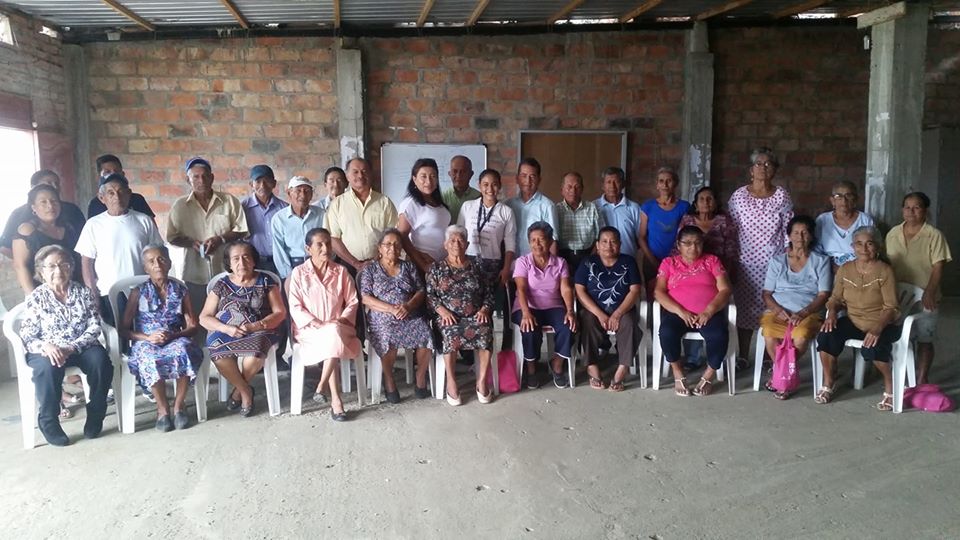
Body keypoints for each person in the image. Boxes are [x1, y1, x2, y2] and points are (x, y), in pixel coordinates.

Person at [19, 245, 113, 446]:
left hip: (81, 346)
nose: (58, 270)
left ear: (71, 267)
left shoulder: (83, 292)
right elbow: (27, 334)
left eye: (63, 264)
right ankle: (48, 420)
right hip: (47, 349)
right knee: (47, 368)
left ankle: (96, 412)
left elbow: (94, 325)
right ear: (41, 271)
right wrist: (47, 346)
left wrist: (72, 347)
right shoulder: (36, 297)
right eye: (51, 266)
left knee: (101, 362)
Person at [118, 245, 202, 431]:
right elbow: (123, 330)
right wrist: (148, 337)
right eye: (151, 261)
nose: (157, 264)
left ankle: (179, 405)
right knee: (149, 356)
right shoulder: (138, 292)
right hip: (146, 341)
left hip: (175, 337)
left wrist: (174, 335)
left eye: (161, 259)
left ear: (169, 263)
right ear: (145, 268)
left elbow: (193, 326)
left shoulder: (180, 290)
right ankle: (162, 409)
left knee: (184, 349)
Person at [816, 226, 900, 410]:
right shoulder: (845, 269)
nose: (864, 248)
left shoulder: (885, 270)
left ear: (877, 247)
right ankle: (829, 382)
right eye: (859, 244)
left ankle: (890, 387)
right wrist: (832, 313)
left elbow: (891, 307)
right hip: (854, 321)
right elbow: (835, 299)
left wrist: (877, 328)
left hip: (882, 323)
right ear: (852, 246)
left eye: (869, 244)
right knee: (826, 335)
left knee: (873, 347)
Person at [199, 241, 286, 418]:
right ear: (229, 263)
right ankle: (245, 391)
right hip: (225, 329)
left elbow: (280, 312)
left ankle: (237, 392)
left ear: (254, 260)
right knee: (216, 347)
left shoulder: (265, 281)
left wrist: (255, 326)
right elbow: (204, 317)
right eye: (236, 259)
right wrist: (226, 329)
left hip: (260, 328)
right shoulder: (221, 284)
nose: (242, 262)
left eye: (246, 257)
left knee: (256, 350)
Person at [728, 147, 793, 368]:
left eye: (768, 164)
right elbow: (731, 228)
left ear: (774, 170)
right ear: (751, 170)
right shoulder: (739, 196)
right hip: (745, 262)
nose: (763, 168)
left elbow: (788, 230)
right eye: (758, 163)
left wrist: (787, 260)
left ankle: (768, 356)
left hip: (774, 264)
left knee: (772, 309)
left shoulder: (782, 195)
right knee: (745, 311)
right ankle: (743, 355)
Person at [288, 228, 363, 421]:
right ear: (308, 249)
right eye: (319, 244)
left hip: (340, 326)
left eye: (328, 243)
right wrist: (316, 322)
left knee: (333, 331)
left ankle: (322, 387)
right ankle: (335, 400)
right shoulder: (299, 273)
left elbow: (353, 301)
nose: (325, 248)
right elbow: (295, 306)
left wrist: (341, 319)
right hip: (309, 330)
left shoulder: (341, 271)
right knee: (331, 335)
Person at [654, 226, 733, 397]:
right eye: (687, 243)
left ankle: (708, 375)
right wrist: (681, 312)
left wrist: (709, 311)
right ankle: (677, 372)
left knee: (719, 334)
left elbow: (725, 289)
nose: (693, 247)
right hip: (678, 313)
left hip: (708, 314)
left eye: (697, 243)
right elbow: (658, 292)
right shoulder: (669, 263)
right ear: (678, 245)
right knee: (667, 332)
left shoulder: (712, 261)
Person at [74, 173, 162, 326]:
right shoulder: (93, 225)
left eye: (121, 192)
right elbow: (87, 263)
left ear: (129, 194)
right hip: (109, 293)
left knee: (146, 331)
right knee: (117, 334)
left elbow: (158, 254)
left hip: (144, 290)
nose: (117, 197)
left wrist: (159, 286)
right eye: (111, 193)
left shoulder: (144, 220)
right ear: (102, 198)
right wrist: (93, 294)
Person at [359, 229, 435, 402]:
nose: (392, 248)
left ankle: (420, 377)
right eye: (387, 244)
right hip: (382, 315)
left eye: (396, 244)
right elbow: (366, 298)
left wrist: (408, 306)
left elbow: (421, 290)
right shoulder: (370, 269)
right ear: (379, 248)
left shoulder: (408, 267)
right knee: (387, 334)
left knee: (425, 332)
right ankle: (389, 379)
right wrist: (391, 309)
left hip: (409, 312)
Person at [166, 157, 249, 316]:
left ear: (212, 178)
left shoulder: (229, 201)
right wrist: (191, 243)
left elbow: (242, 230)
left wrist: (221, 239)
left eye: (205, 176)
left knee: (229, 313)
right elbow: (172, 237)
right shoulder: (180, 206)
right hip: (195, 272)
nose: (201, 180)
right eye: (196, 177)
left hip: (227, 270)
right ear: (188, 180)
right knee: (199, 314)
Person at [759, 215, 831, 399]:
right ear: (789, 235)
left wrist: (804, 312)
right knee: (768, 332)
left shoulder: (821, 261)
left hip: (808, 312)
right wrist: (778, 311)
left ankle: (780, 377)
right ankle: (783, 375)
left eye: (805, 232)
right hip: (779, 311)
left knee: (801, 335)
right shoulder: (777, 261)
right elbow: (766, 293)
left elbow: (823, 294)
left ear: (811, 236)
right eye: (796, 232)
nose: (800, 237)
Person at [886, 192, 952, 385]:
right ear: (902, 210)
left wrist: (930, 291)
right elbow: (886, 266)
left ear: (925, 210)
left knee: (925, 337)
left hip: (925, 294)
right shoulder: (893, 234)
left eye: (916, 207)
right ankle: (895, 375)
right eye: (907, 207)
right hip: (898, 295)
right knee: (897, 335)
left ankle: (922, 378)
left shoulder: (934, 235)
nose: (911, 211)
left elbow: (938, 266)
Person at [426, 225, 496, 405]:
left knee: (485, 329)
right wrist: (442, 311)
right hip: (448, 316)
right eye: (452, 240)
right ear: (445, 245)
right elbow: (430, 295)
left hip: (475, 315)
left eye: (460, 240)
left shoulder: (477, 266)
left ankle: (481, 381)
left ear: (467, 244)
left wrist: (484, 309)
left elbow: (489, 293)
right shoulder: (436, 268)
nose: (456, 244)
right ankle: (451, 382)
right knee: (450, 332)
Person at [574, 227, 643, 392]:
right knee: (587, 320)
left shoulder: (628, 262)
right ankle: (592, 365)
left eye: (613, 242)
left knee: (629, 323)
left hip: (623, 309)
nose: (608, 245)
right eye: (604, 241)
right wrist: (600, 314)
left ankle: (623, 368)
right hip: (594, 310)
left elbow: (635, 290)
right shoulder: (588, 262)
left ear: (620, 244)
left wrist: (617, 314)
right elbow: (579, 290)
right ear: (597, 245)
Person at [512, 222, 577, 389]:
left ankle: (557, 363)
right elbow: (521, 289)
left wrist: (570, 311)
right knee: (529, 329)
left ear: (550, 242)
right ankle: (531, 369)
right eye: (533, 240)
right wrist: (526, 313)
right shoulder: (522, 262)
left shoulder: (560, 262)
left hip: (553, 305)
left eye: (541, 239)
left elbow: (566, 288)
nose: (537, 244)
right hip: (527, 306)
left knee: (569, 326)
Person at [324, 157, 398, 273]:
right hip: (348, 265)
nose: (360, 176)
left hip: (380, 265)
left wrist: (375, 260)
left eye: (364, 171)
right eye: (355, 172)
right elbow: (333, 238)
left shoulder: (385, 202)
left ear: (370, 174)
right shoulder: (337, 204)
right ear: (347, 176)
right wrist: (355, 263)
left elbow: (393, 235)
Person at [12, 184, 82, 294]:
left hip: (73, 289)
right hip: (43, 292)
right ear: (33, 207)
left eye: (54, 201)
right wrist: (33, 297)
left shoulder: (68, 227)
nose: (50, 206)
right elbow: (20, 266)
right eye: (43, 202)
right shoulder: (27, 230)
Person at [1, 169, 85, 259]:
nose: (55, 187)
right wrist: (24, 261)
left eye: (57, 183)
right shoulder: (18, 214)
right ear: (34, 187)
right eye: (49, 183)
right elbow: (4, 247)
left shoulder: (72, 209)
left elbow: (85, 239)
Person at [457, 169, 517, 287]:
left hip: (492, 263)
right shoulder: (467, 206)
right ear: (479, 185)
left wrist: (506, 269)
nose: (490, 189)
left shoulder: (506, 212)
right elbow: (458, 235)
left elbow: (510, 244)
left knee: (489, 296)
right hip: (467, 260)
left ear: (499, 186)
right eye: (485, 184)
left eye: (494, 184)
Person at [397, 158, 452, 273]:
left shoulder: (439, 203)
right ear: (414, 179)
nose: (428, 181)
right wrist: (423, 264)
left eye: (433, 176)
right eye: (423, 176)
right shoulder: (410, 204)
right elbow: (402, 236)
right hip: (423, 265)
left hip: (442, 265)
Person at [639, 167, 691, 287]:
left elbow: (687, 234)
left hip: (677, 261)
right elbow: (641, 237)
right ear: (657, 185)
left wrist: (677, 260)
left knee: (676, 292)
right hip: (651, 260)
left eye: (669, 181)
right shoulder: (648, 206)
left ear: (675, 184)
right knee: (652, 293)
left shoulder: (684, 206)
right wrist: (653, 261)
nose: (665, 185)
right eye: (661, 181)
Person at [677, 186, 738, 281]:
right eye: (701, 199)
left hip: (718, 269)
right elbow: (678, 244)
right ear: (696, 205)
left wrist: (726, 273)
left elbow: (731, 249)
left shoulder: (724, 221)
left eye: (709, 199)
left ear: (716, 203)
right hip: (690, 268)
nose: (706, 202)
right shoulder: (687, 220)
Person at [270, 176, 325, 281]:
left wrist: (323, 267)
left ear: (312, 194)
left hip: (318, 266)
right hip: (293, 266)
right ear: (289, 193)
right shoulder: (279, 219)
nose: (303, 195)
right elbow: (279, 251)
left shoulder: (321, 214)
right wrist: (289, 276)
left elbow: (329, 243)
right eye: (298, 191)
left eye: (307, 191)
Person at [241, 164, 288, 276]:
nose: (263, 185)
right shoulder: (242, 208)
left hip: (280, 262)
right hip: (253, 263)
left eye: (267, 181)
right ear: (251, 184)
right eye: (258, 181)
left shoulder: (285, 209)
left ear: (274, 183)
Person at [815, 181, 874, 268]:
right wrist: (830, 267)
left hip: (859, 268)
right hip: (827, 268)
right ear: (832, 201)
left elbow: (871, 249)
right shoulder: (822, 220)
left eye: (848, 196)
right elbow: (816, 250)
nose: (844, 200)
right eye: (838, 196)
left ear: (855, 199)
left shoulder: (865, 220)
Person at [505, 158, 557, 257]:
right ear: (517, 179)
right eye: (524, 176)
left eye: (532, 177)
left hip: (537, 263)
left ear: (539, 180)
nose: (528, 181)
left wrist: (551, 265)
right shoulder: (508, 205)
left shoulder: (547, 206)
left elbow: (553, 240)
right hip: (512, 261)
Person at [555, 171, 605, 274]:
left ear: (582, 189)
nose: (573, 190)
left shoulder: (592, 208)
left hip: (589, 255)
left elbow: (601, 236)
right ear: (562, 190)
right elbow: (552, 239)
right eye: (569, 187)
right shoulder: (556, 210)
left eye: (577, 187)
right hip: (562, 258)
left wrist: (591, 258)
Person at [87, 154, 156, 219]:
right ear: (99, 177)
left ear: (123, 174)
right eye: (107, 172)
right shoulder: (95, 204)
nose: (113, 175)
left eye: (116, 171)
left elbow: (150, 225)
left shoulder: (137, 199)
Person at [594, 166, 642, 258]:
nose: (612, 186)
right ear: (603, 186)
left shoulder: (634, 208)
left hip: (627, 260)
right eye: (608, 182)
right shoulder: (594, 207)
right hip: (601, 261)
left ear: (623, 184)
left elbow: (640, 238)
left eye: (616, 182)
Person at [441, 155, 481, 222]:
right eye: (455, 171)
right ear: (449, 173)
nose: (458, 176)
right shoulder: (442, 197)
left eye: (463, 171)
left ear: (471, 174)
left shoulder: (479, 197)